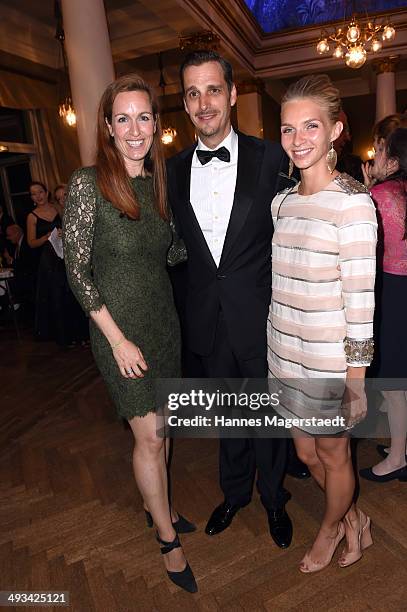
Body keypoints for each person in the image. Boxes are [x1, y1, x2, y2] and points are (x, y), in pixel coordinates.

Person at [63, 74, 197, 593]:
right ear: (108, 126)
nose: (135, 128)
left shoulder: (160, 184)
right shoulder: (87, 182)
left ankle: (156, 505)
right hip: (117, 330)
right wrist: (117, 339)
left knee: (165, 430)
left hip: (163, 323)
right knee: (149, 434)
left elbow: (171, 254)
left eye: (144, 117)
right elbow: (77, 271)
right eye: (123, 118)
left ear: (156, 125)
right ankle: (167, 538)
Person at [167, 50, 293, 548]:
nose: (204, 102)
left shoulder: (272, 158)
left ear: (233, 94)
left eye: (213, 89)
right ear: (184, 102)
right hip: (208, 318)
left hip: (262, 315)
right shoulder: (172, 170)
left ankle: (275, 501)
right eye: (193, 93)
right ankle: (234, 494)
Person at [267, 74, 377, 572]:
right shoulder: (282, 202)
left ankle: (332, 529)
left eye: (311, 126)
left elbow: (360, 299)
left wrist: (356, 381)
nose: (298, 139)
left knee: (334, 457)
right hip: (285, 357)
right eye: (288, 129)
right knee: (307, 455)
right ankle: (355, 519)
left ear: (335, 130)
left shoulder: (354, 204)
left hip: (330, 365)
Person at [359, 119, 407, 482]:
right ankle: (401, 445)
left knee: (392, 382)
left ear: (392, 161)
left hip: (391, 290)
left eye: (379, 150)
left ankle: (398, 459)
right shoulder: (402, 190)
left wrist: (365, 191)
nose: (373, 155)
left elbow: (365, 247)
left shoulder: (379, 197)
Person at [27, 181, 71, 345]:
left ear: (46, 193)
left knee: (70, 294)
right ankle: (63, 336)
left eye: (40, 192)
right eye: (33, 194)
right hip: (48, 261)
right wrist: (45, 238)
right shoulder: (32, 216)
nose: (38, 196)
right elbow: (31, 243)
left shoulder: (57, 208)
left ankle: (77, 333)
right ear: (31, 197)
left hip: (64, 255)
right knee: (56, 296)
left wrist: (62, 233)